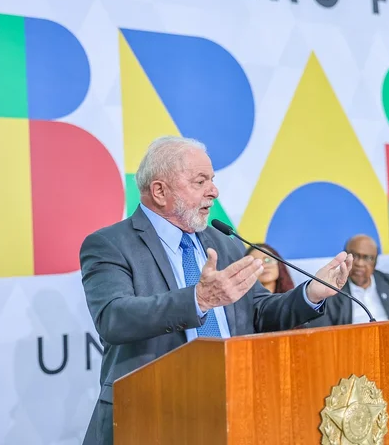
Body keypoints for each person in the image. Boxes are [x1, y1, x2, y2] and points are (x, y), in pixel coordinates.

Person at [79, 136, 352, 445]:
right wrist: (198, 300)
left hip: (230, 408)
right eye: (201, 181)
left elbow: (258, 312)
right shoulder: (111, 244)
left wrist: (311, 293)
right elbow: (114, 317)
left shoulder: (223, 242)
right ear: (159, 191)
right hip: (149, 415)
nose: (214, 190)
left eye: (212, 179)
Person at [308, 234, 389, 327]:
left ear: (375, 262)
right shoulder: (330, 288)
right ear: (345, 257)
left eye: (367, 258)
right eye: (355, 256)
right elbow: (319, 331)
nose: (359, 264)